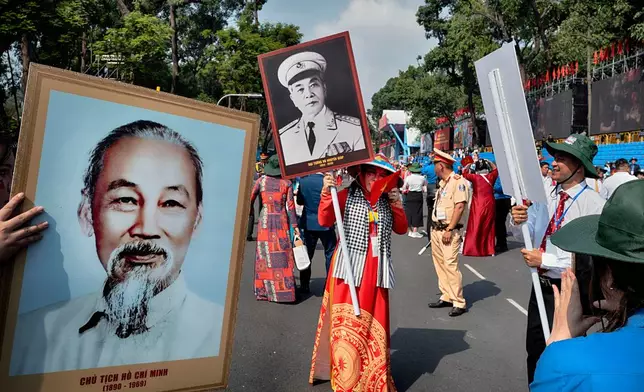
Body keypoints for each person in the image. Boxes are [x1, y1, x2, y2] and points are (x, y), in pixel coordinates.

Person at [12, 120, 223, 375]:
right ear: (87, 213)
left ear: (196, 220)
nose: (146, 228)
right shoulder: (30, 337)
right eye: (125, 200)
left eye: (170, 203)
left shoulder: (216, 334)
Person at [510, 134, 606, 384]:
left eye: (562, 158)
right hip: (540, 287)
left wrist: (545, 260)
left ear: (579, 166)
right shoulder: (545, 195)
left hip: (570, 291)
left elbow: (588, 258)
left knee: (565, 353)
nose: (554, 162)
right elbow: (528, 234)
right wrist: (518, 220)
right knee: (535, 350)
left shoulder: (593, 204)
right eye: (554, 157)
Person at [531, 180, 644, 390]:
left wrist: (558, 343)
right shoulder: (550, 196)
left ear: (608, 275)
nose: (555, 162)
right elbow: (531, 231)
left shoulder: (568, 363)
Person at [309, 154, 407, 391]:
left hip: (377, 273)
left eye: (383, 174)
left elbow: (402, 229)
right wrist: (326, 192)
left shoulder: (387, 201)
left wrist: (397, 204)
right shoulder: (345, 195)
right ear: (361, 173)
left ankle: (373, 377)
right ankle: (347, 379)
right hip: (348, 271)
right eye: (373, 172)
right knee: (349, 325)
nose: (378, 178)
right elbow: (324, 219)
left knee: (375, 325)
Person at [277, 51, 365, 166]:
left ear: (324, 88)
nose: (309, 94)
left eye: (313, 85)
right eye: (300, 89)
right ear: (293, 98)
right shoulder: (284, 137)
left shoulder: (354, 129)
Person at [250, 155, 299, 303]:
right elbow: (291, 208)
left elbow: (250, 200)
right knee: (283, 256)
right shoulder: (287, 183)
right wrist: (295, 227)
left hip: (265, 222)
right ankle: (284, 293)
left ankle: (264, 292)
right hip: (281, 220)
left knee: (264, 256)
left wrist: (251, 215)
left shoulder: (261, 181)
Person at [427, 149, 470, 317]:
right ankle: (446, 295)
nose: (433, 169)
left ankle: (459, 301)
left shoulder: (458, 182)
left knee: (450, 265)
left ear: (441, 165)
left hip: (448, 231)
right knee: (440, 264)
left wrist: (449, 229)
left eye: (434, 165)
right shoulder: (443, 183)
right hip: (437, 229)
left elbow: (459, 206)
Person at [296, 173, 337, 293]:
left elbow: (299, 201)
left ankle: (304, 285)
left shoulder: (303, 181)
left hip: (309, 223)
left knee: (307, 254)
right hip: (326, 223)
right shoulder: (328, 180)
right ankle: (329, 284)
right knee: (330, 254)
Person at [461, 159, 498, 257]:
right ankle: (489, 250)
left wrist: (469, 164)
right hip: (490, 202)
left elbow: (464, 173)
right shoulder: (491, 177)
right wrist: (489, 162)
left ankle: (472, 249)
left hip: (478, 203)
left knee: (475, 225)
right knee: (489, 226)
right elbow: (495, 170)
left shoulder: (474, 177)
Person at [402, 163, 427, 238]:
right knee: (418, 212)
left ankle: (410, 231)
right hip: (418, 195)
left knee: (408, 212)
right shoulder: (422, 178)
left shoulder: (408, 178)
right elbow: (425, 189)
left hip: (410, 195)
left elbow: (404, 187)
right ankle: (415, 231)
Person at [493, 176, 511, 254]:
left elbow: (501, 187)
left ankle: (502, 244)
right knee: (498, 223)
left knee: (500, 222)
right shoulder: (497, 175)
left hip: (502, 199)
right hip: (498, 199)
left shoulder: (503, 175)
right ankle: (500, 243)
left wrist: (491, 186)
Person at [421, 157, 438, 242]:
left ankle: (430, 236)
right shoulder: (439, 168)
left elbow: (423, 171)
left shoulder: (428, 167)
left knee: (430, 213)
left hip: (430, 187)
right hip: (439, 186)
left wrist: (427, 163)